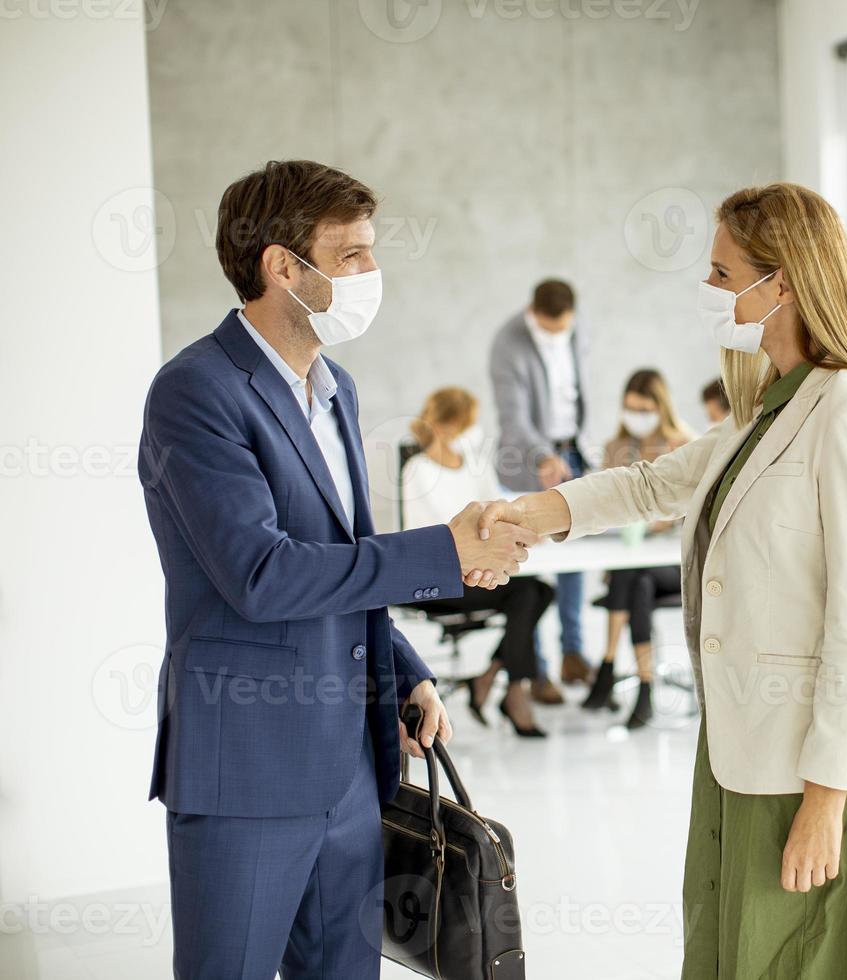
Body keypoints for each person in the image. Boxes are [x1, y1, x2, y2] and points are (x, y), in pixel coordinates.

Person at [466, 182, 847, 978]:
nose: (709, 291)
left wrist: (826, 799)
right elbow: (648, 486)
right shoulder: (764, 410)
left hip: (819, 771)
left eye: (721, 273)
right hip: (745, 754)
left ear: (780, 281)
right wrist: (524, 514)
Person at [137, 160, 535, 979]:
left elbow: (343, 558)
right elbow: (265, 575)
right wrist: (443, 551)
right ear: (284, 266)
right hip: (248, 769)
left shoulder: (337, 388)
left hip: (354, 770)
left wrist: (408, 671)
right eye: (351, 255)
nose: (371, 274)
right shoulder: (195, 391)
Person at [402, 386, 555, 737]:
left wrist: (528, 528)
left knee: (540, 592)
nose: (475, 432)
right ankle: (512, 692)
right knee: (529, 594)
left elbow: (497, 511)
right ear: (446, 426)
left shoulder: (476, 465)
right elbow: (437, 533)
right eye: (469, 425)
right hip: (436, 578)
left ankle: (493, 679)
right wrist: (486, 539)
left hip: (477, 567)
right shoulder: (418, 470)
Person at [489, 278, 595, 703]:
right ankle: (537, 672)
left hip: (573, 452)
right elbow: (512, 418)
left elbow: (582, 394)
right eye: (549, 329)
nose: (557, 336)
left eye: (562, 329)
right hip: (526, 461)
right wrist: (542, 457)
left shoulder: (577, 327)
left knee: (578, 555)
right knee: (527, 566)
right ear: (533, 313)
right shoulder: (508, 342)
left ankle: (572, 650)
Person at [580, 369, 696, 727]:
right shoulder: (616, 448)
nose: (636, 417)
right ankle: (644, 687)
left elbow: (692, 506)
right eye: (630, 408)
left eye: (644, 409)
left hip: (673, 564)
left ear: (661, 407)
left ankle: (608, 664)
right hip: (631, 564)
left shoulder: (684, 444)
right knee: (637, 581)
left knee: (633, 576)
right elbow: (602, 501)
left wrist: (655, 521)